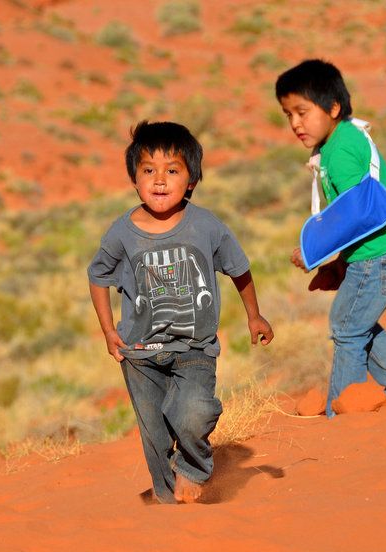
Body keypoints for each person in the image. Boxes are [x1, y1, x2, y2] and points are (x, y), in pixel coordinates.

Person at [88, 121, 274, 504]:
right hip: (139, 352)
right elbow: (98, 276)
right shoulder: (122, 232)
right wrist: (108, 330)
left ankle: (193, 468)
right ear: (134, 178)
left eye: (172, 170)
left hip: (194, 347)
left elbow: (239, 268)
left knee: (192, 412)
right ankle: (168, 504)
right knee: (154, 433)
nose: (159, 180)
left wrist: (254, 315)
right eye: (148, 171)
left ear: (191, 180)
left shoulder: (206, 226)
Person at [275, 59, 386, 417]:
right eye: (288, 115)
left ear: (333, 108)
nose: (295, 123)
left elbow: (355, 213)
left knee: (346, 326)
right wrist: (342, 265)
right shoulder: (340, 140)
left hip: (383, 254)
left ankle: (343, 411)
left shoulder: (341, 149)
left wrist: (312, 251)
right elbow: (359, 217)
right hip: (385, 251)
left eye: (302, 112)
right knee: (353, 322)